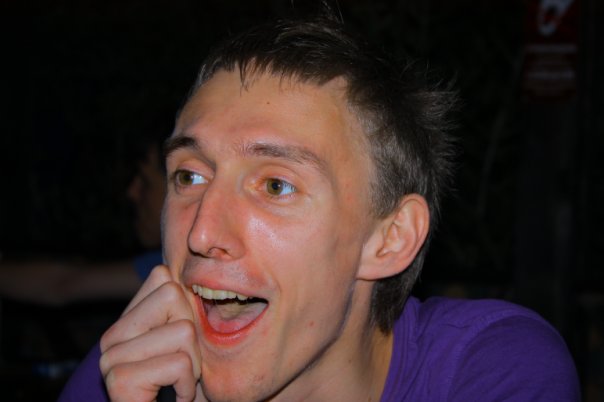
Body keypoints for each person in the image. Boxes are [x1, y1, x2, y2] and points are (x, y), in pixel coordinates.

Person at [58, 11, 580, 402]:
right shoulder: (122, 375)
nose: (201, 232)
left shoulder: (487, 367)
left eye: (275, 186)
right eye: (189, 176)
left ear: (389, 238)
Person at [0, 142, 164, 306]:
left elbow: (65, 283)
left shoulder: (172, 270)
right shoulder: (161, 265)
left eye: (145, 181)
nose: (132, 192)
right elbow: (65, 283)